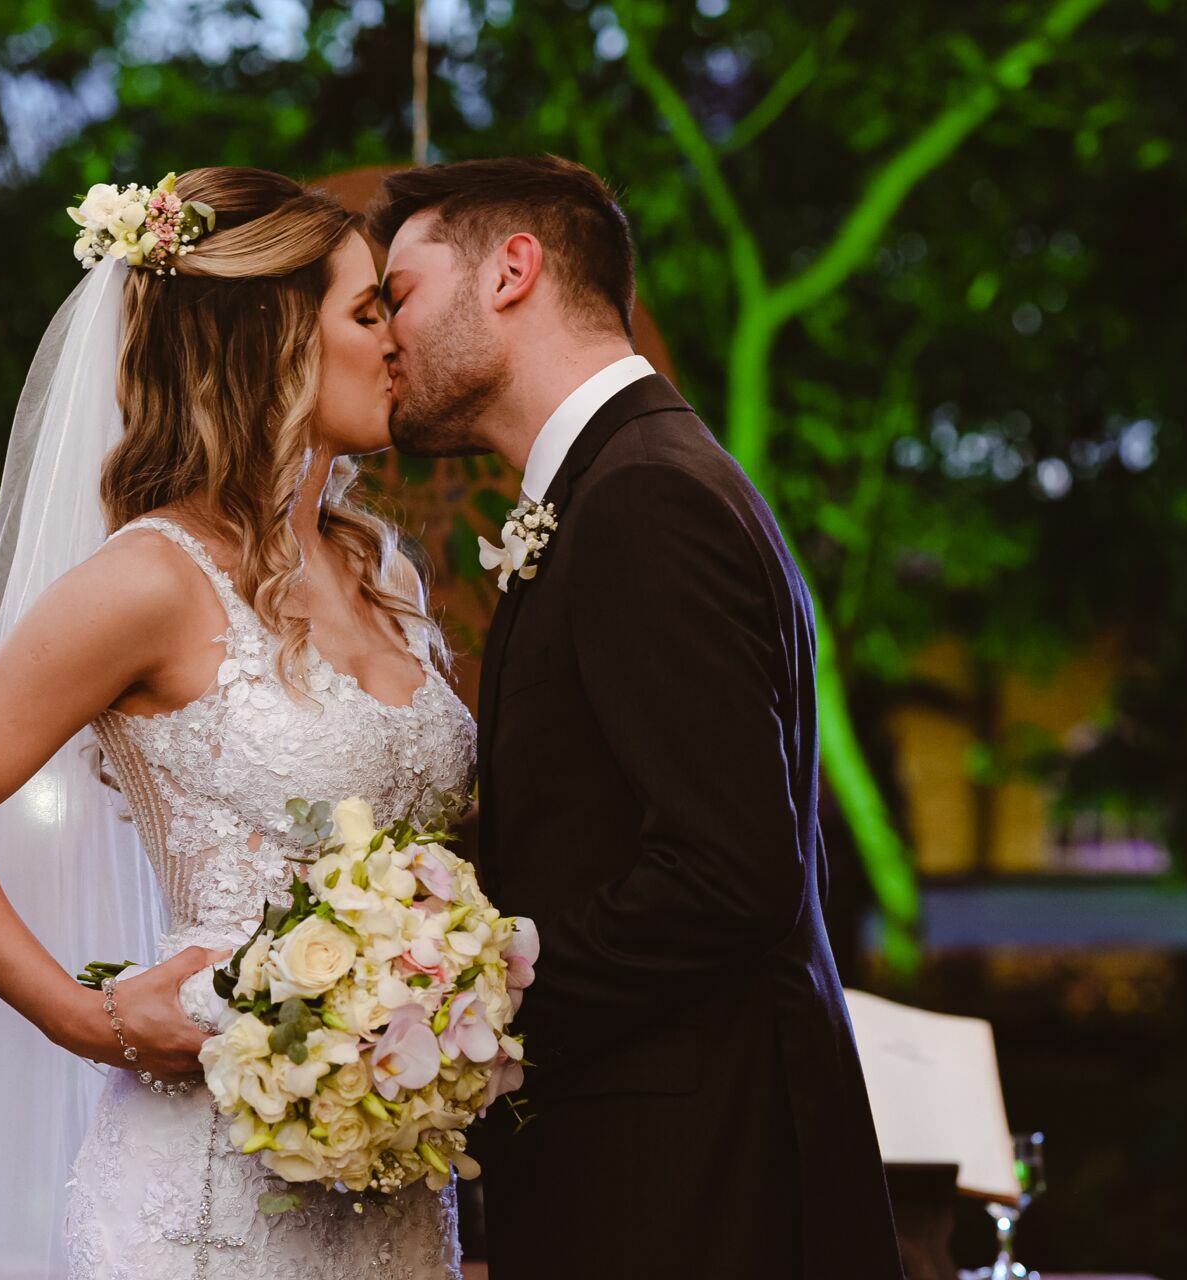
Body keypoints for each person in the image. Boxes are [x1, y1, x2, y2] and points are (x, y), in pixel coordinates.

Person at [0, 168, 475, 1280]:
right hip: (207, 1192)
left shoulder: (380, 567)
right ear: (272, 335)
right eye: (367, 311)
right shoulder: (149, 577)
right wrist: (87, 1017)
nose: (396, 341)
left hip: (392, 1184)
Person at [369, 156, 904, 1279]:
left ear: (513, 270)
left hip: (690, 1186)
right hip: (656, 1158)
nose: (387, 336)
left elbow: (725, 870)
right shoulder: (627, 480)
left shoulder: (643, 497)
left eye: (402, 291)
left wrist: (473, 1013)